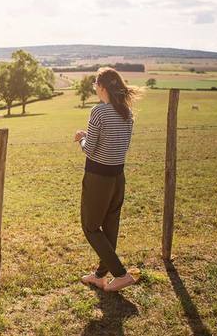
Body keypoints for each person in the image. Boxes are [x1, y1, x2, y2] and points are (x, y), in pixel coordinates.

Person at [74, 67, 142, 292]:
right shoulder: (127, 113)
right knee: (110, 228)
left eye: (95, 83)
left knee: (91, 227)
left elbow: (91, 150)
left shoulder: (98, 112)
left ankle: (121, 275)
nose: (94, 86)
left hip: (98, 178)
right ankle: (100, 276)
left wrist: (81, 139)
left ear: (102, 86)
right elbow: (121, 147)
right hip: (117, 177)